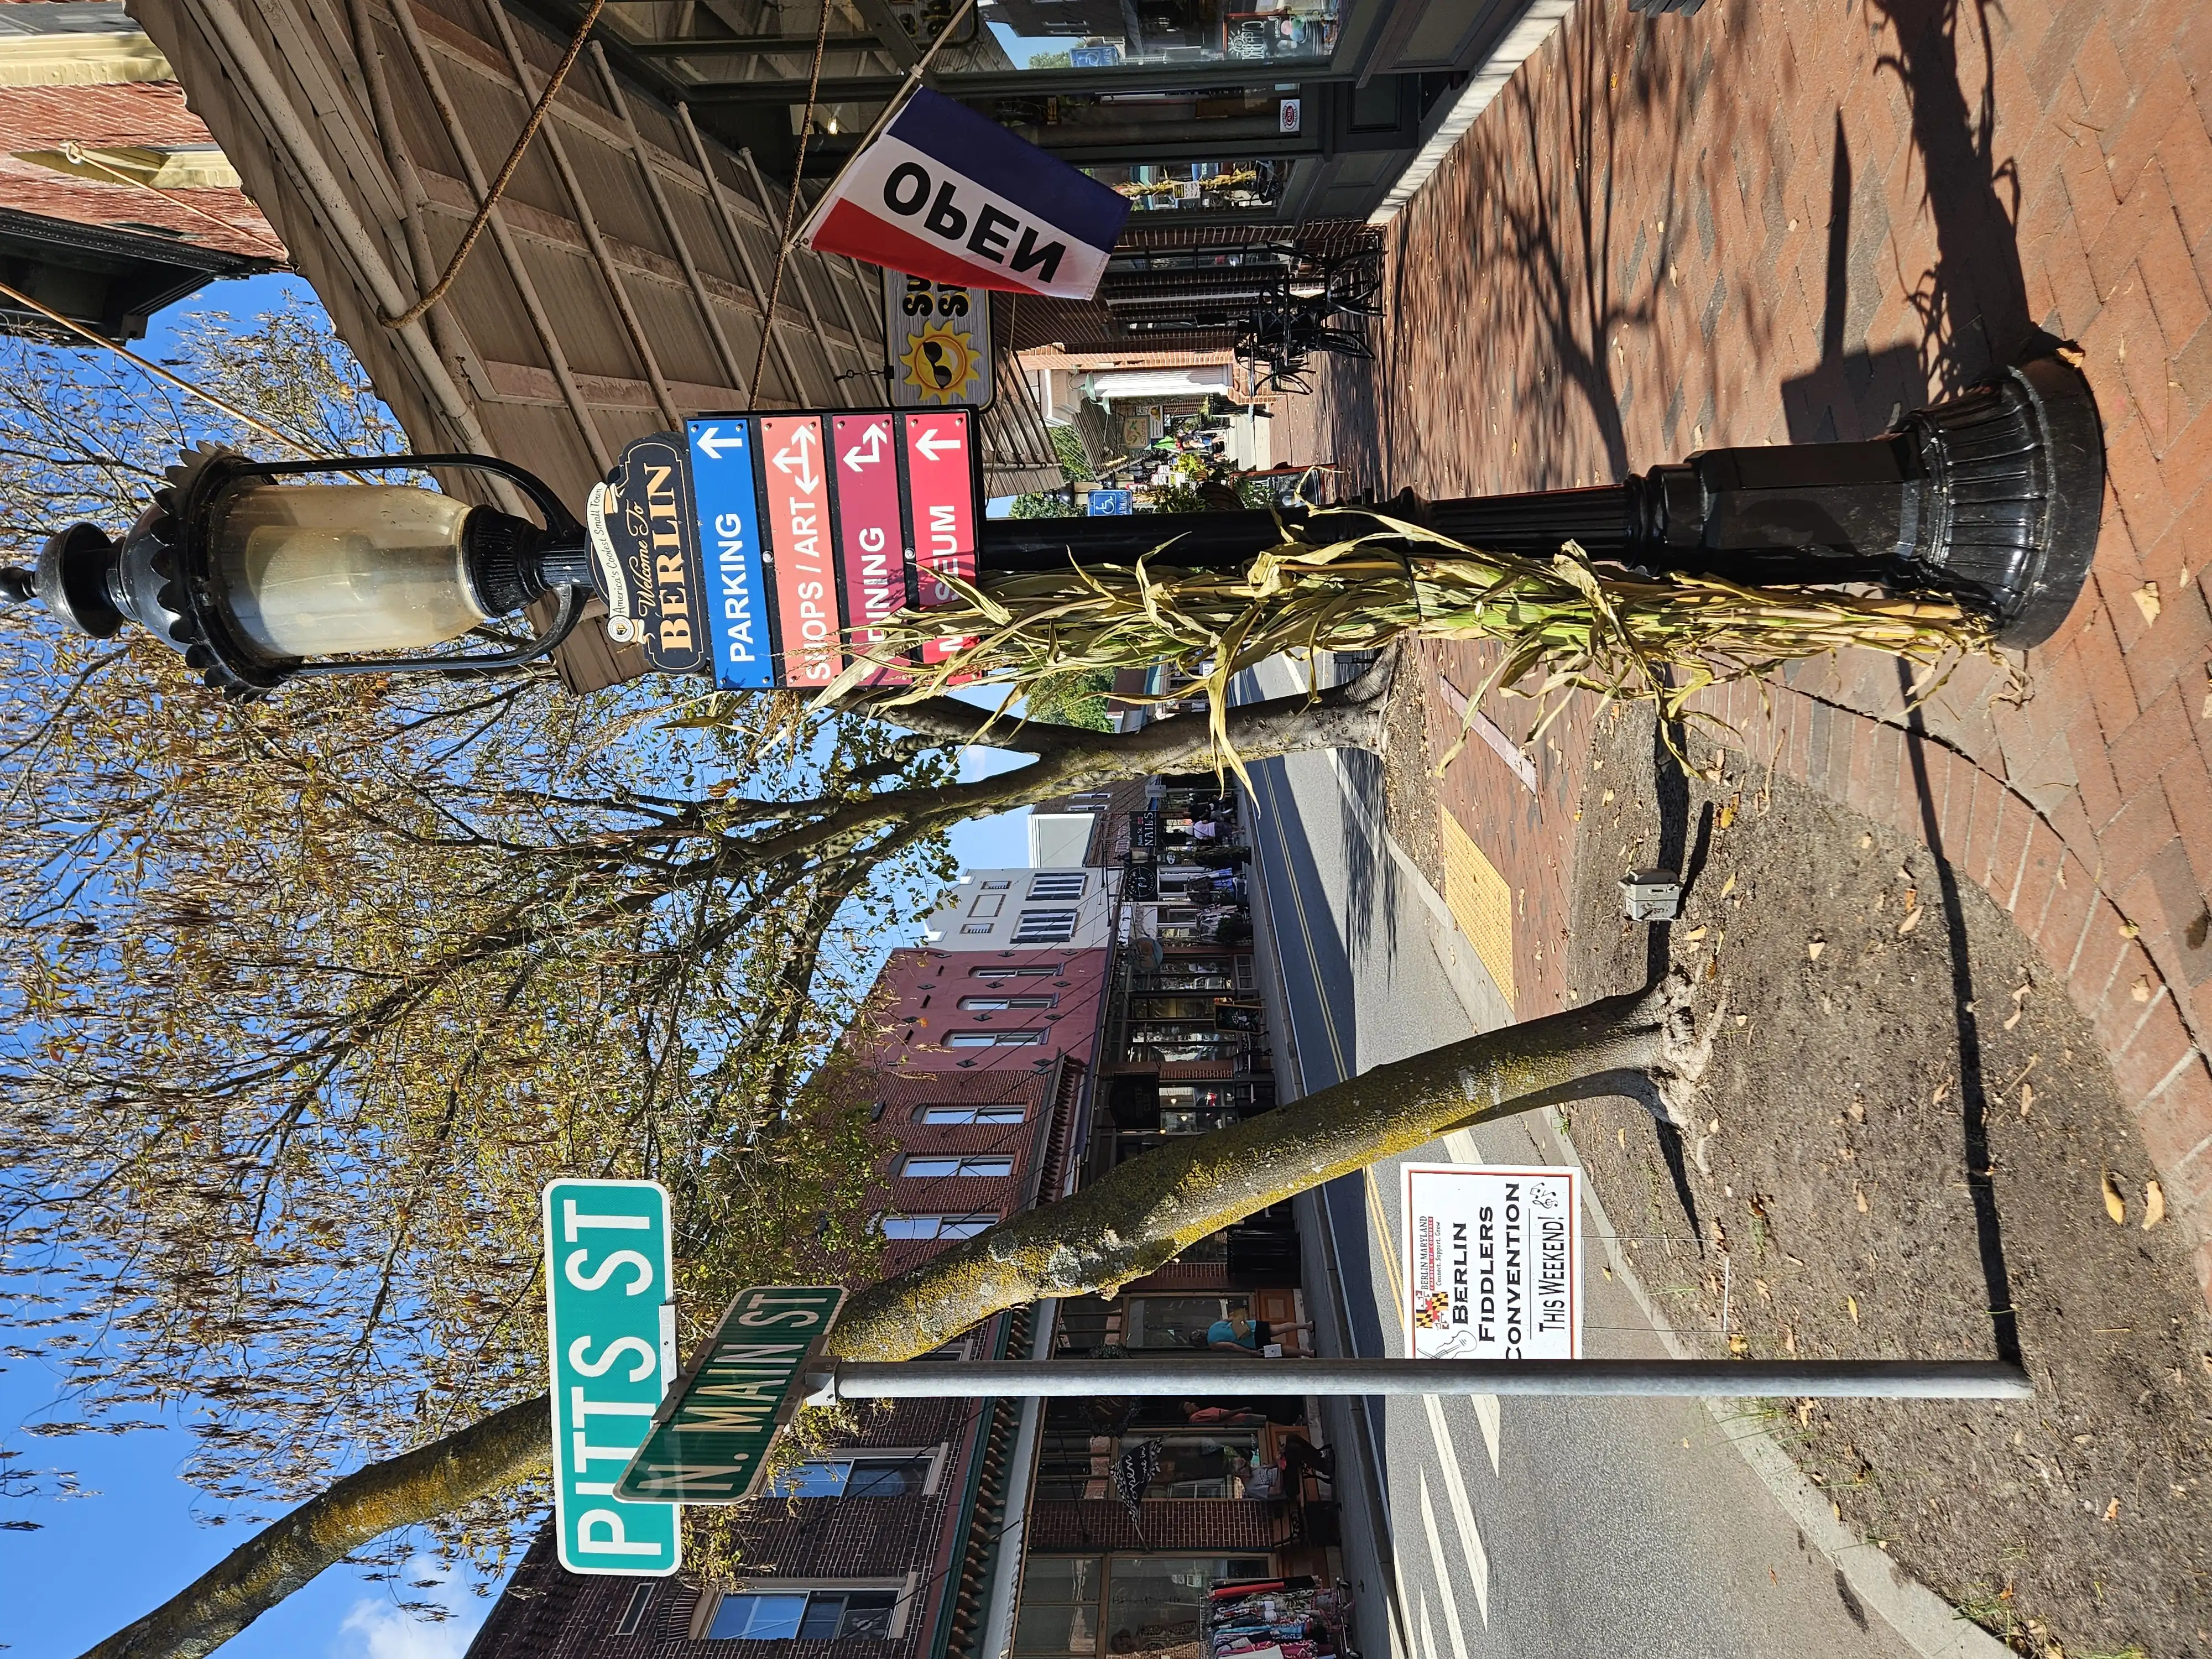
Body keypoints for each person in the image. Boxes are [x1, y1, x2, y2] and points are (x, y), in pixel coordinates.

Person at [1188, 1313, 1316, 1358]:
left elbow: (1232, 1346)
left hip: (1252, 1342)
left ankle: (1308, 1354)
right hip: (1252, 1326)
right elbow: (1231, 1319)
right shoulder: (1214, 1326)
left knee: (1280, 1349)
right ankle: (1306, 1325)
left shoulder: (1213, 1344)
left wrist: (1250, 1352)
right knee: (1279, 1328)